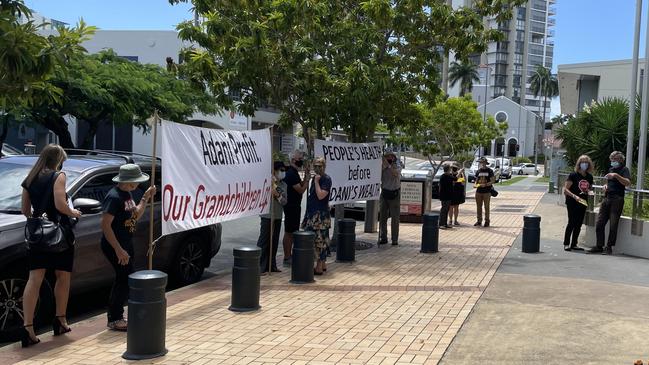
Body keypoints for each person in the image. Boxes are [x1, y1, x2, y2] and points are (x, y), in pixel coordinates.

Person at [19, 144, 81, 347]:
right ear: (58, 160)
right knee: (62, 277)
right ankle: (60, 320)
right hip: (59, 233)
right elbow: (60, 204)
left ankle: (28, 328)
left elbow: (25, 210)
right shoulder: (58, 176)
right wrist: (74, 213)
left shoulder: (30, 178)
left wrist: (39, 218)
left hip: (38, 236)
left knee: (34, 278)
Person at [100, 164, 156, 331]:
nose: (138, 184)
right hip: (115, 245)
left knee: (125, 278)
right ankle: (115, 317)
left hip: (125, 242)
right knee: (124, 278)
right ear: (130, 181)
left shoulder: (127, 195)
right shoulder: (114, 197)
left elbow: (135, 215)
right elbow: (105, 225)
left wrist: (145, 198)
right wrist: (118, 249)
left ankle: (117, 315)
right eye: (137, 181)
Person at [591, 151, 631, 255]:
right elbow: (609, 182)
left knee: (613, 225)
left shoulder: (624, 169)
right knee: (600, 223)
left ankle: (609, 247)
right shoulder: (611, 169)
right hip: (607, 198)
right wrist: (605, 186)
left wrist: (616, 175)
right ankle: (599, 245)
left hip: (617, 199)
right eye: (612, 159)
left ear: (621, 160)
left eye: (616, 159)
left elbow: (627, 182)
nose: (613, 161)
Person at [301, 157, 332, 275]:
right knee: (319, 239)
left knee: (320, 241)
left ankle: (319, 266)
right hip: (312, 213)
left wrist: (317, 182)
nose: (318, 168)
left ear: (324, 166)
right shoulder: (315, 178)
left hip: (320, 216)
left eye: (320, 166)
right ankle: (322, 264)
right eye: (316, 166)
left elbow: (321, 195)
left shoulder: (326, 179)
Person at [257, 161, 288, 274]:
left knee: (274, 241)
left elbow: (285, 201)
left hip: (278, 215)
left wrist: (278, 195)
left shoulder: (284, 185)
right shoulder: (268, 182)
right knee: (264, 241)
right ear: (274, 171)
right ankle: (260, 265)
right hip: (267, 215)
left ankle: (272, 265)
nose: (282, 172)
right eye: (280, 170)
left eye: (283, 170)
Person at [282, 150, 310, 267]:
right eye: (300, 158)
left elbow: (300, 186)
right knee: (289, 232)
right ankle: (287, 256)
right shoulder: (291, 173)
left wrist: (305, 177)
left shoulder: (294, 172)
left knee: (293, 231)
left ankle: (289, 255)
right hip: (291, 206)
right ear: (293, 160)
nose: (301, 160)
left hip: (295, 205)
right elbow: (301, 190)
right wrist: (307, 180)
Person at [562, 155, 594, 251]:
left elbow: (588, 188)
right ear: (579, 164)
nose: (584, 164)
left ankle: (574, 244)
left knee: (579, 223)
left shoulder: (589, 177)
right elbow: (566, 190)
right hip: (572, 202)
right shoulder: (573, 175)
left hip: (583, 202)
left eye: (586, 162)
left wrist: (590, 192)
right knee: (571, 222)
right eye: (582, 162)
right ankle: (566, 243)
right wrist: (574, 196)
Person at [379, 150, 402, 245]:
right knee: (382, 217)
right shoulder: (382, 166)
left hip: (394, 194)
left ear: (393, 157)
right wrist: (383, 166)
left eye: (391, 157)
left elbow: (396, 174)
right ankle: (383, 237)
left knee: (395, 218)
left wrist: (389, 166)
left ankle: (395, 239)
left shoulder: (397, 165)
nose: (389, 158)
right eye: (387, 157)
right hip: (384, 193)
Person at [474, 157, 494, 227]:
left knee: (486, 207)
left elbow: (492, 181)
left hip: (487, 192)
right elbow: (476, 180)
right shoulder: (478, 171)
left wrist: (485, 184)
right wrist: (476, 185)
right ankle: (479, 221)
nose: (481, 164)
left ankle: (487, 221)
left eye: (483, 162)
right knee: (478, 207)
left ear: (485, 163)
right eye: (480, 162)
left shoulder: (490, 171)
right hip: (478, 191)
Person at [438, 163, 455, 229]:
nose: (451, 170)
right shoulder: (446, 176)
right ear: (448, 169)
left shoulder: (445, 176)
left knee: (446, 209)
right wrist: (460, 172)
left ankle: (444, 223)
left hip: (446, 195)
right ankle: (441, 224)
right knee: (444, 210)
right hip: (445, 196)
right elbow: (455, 178)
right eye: (450, 169)